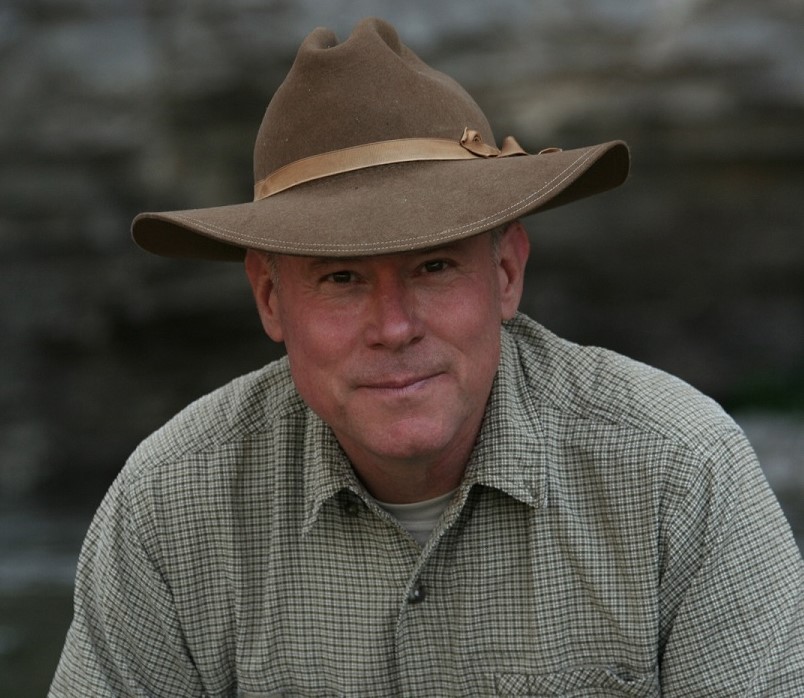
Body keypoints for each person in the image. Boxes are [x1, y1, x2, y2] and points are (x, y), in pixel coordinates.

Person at [50, 17, 802, 697]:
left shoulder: (681, 471)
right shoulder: (169, 506)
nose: (394, 326)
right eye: (341, 278)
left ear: (505, 274)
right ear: (270, 300)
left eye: (433, 267)